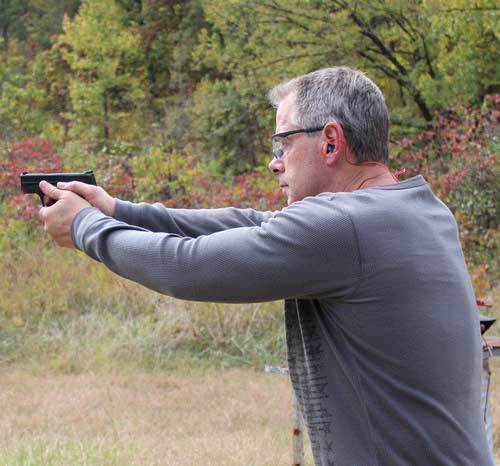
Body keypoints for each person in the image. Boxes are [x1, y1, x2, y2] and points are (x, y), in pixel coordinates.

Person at [38, 67, 493, 466]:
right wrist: (119, 210)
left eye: (283, 141)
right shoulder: (412, 209)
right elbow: (254, 222)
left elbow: (187, 266)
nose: (274, 162)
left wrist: (85, 227)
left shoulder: (343, 226)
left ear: (331, 141)